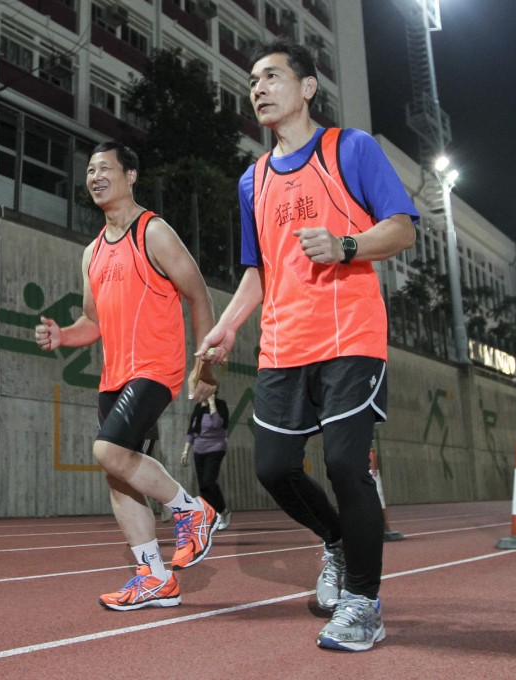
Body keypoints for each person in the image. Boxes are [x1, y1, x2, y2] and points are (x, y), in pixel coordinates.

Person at [196, 41, 418, 652]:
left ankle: (364, 605)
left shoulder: (351, 148)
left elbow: (401, 229)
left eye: (272, 75)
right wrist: (229, 324)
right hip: (282, 344)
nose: (259, 87)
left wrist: (346, 246)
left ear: (308, 87)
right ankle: (338, 542)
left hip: (350, 336)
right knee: (272, 469)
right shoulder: (253, 179)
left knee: (347, 464)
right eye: (252, 80)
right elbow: (258, 270)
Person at [35, 141, 220, 612]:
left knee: (107, 450)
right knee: (118, 474)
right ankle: (153, 577)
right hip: (114, 375)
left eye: (105, 169)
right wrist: (64, 335)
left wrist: (206, 363)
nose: (95, 177)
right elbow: (92, 322)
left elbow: (198, 295)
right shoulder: (92, 252)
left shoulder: (152, 231)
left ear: (131, 175)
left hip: (155, 368)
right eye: (90, 171)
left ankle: (191, 510)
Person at [182, 394, 232, 530]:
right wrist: (185, 451)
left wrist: (212, 404)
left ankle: (223, 512)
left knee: (209, 481)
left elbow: (218, 424)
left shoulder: (220, 404)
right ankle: (212, 516)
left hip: (216, 448)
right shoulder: (198, 407)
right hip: (199, 449)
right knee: (203, 486)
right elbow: (191, 431)